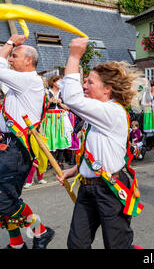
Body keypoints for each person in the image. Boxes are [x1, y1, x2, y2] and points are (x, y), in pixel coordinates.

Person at [57, 37, 143, 249]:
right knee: (77, 245)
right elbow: (97, 150)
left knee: (117, 246)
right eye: (84, 81)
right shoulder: (97, 114)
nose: (84, 86)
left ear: (108, 89)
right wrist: (76, 169)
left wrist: (75, 56)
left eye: (89, 82)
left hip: (109, 189)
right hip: (88, 189)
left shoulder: (112, 112)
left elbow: (72, 98)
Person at [0, 34, 54, 249]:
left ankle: (41, 231)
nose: (10, 59)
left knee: (4, 198)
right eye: (11, 55)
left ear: (28, 61)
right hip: (10, 145)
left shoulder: (28, 79)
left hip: (17, 150)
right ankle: (16, 244)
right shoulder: (20, 84)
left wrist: (10, 43)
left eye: (14, 56)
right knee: (5, 196)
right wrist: (3, 136)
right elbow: (16, 116)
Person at [39, 75, 73, 169]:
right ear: (53, 82)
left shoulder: (63, 93)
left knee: (61, 139)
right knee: (50, 139)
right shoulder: (46, 92)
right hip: (49, 118)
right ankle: (51, 162)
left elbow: (69, 108)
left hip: (61, 118)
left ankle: (60, 162)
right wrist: (49, 101)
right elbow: (41, 106)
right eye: (59, 82)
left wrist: (60, 102)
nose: (61, 84)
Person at [141, 81, 154, 150]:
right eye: (149, 86)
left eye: (152, 86)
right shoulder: (145, 94)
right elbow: (142, 104)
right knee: (149, 128)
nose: (151, 88)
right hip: (148, 112)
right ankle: (148, 144)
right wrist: (148, 104)